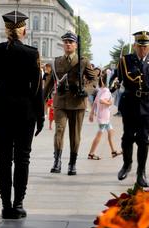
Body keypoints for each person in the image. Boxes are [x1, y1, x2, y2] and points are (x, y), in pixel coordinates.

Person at [0, 10, 44, 219]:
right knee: (22, 159)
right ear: (24, 30)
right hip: (25, 112)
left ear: (6, 30)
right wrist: (40, 115)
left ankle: (5, 205)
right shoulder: (32, 53)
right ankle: (18, 203)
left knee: (4, 159)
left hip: (1, 111)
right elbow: (38, 89)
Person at [117, 31, 149, 187]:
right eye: (139, 46)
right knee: (127, 137)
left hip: (147, 104)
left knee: (143, 140)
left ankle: (141, 172)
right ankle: (127, 164)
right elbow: (123, 78)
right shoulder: (126, 60)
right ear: (134, 46)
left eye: (145, 47)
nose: (142, 49)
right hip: (130, 102)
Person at [44, 31, 96, 175]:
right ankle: (57, 161)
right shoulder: (56, 62)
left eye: (70, 42)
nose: (68, 44)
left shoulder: (83, 61)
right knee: (59, 131)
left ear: (75, 45)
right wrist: (39, 102)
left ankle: (72, 163)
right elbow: (48, 84)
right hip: (60, 101)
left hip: (77, 103)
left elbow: (94, 80)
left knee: (75, 134)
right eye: (66, 42)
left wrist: (85, 90)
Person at [88, 70, 122, 160]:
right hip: (104, 117)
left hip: (103, 116)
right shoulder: (106, 91)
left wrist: (91, 114)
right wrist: (109, 103)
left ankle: (113, 151)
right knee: (99, 134)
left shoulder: (100, 90)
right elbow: (101, 101)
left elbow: (95, 102)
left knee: (111, 132)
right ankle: (91, 153)